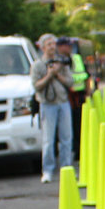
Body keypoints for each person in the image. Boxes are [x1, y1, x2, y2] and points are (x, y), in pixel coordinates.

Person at [31, 32, 74, 183]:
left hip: (62, 102)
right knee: (48, 139)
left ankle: (66, 168)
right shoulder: (38, 65)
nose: (51, 47)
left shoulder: (61, 63)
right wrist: (49, 75)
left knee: (66, 138)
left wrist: (58, 74)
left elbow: (70, 82)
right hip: (47, 104)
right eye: (48, 45)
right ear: (42, 47)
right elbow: (36, 86)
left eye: (53, 44)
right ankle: (47, 170)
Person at [58, 38, 88, 160]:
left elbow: (85, 74)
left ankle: (78, 150)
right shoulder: (56, 60)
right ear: (60, 47)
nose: (69, 48)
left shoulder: (76, 58)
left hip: (77, 96)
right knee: (65, 126)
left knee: (77, 124)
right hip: (63, 96)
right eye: (67, 45)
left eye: (70, 45)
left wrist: (87, 91)